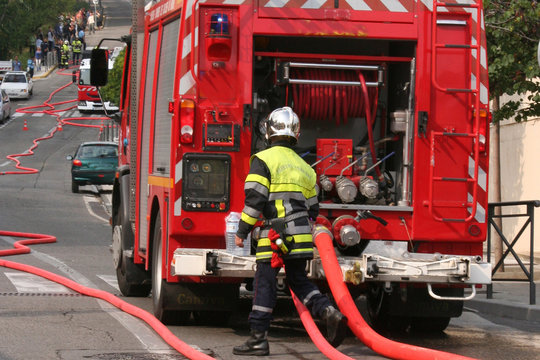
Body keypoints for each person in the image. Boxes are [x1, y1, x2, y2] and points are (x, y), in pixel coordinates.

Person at [233, 107, 348, 356]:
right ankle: (327, 311)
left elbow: (255, 201)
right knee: (299, 281)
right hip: (302, 237)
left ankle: (258, 339)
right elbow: (313, 209)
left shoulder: (262, 160)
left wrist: (242, 231)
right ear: (296, 133)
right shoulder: (306, 167)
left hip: (274, 237)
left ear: (269, 131)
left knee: (265, 284)